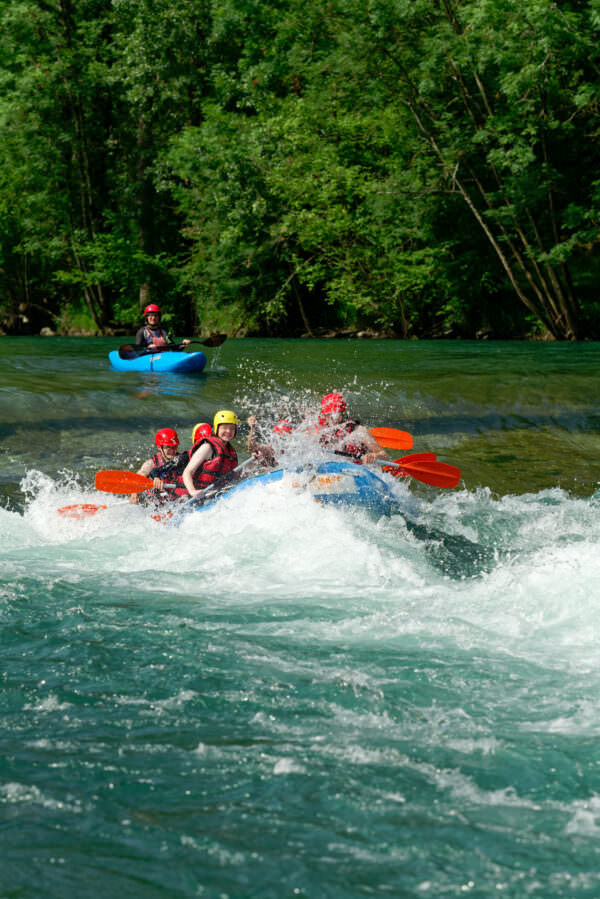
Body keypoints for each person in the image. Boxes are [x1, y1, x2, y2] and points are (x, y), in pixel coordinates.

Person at [316, 393, 388, 465]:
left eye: (335, 415)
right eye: (328, 415)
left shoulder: (359, 432)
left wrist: (375, 456)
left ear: (343, 413)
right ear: (323, 415)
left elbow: (385, 456)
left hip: (356, 471)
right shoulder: (318, 431)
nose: (332, 419)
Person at [182, 410, 239, 499]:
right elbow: (187, 472)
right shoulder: (208, 447)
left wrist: (253, 463)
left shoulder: (230, 451)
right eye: (224, 428)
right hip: (200, 498)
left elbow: (237, 477)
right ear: (217, 428)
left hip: (219, 495)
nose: (228, 431)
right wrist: (193, 491)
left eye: (232, 428)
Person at [129, 427, 190, 504]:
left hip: (175, 501)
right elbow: (138, 477)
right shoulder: (151, 463)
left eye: (174, 446)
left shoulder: (181, 460)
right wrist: (134, 494)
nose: (172, 450)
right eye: (168, 447)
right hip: (156, 503)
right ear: (159, 447)